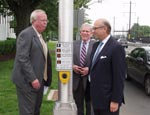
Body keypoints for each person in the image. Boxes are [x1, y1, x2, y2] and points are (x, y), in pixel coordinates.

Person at [11, 9, 52, 115]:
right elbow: (23, 58)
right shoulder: (26, 34)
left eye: (46, 20)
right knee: (28, 111)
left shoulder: (39, 35)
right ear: (34, 21)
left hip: (39, 81)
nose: (45, 23)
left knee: (35, 110)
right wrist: (33, 78)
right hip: (27, 82)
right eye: (43, 20)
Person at [89, 18, 126, 115]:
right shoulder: (95, 45)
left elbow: (119, 77)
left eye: (95, 28)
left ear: (104, 29)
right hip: (96, 98)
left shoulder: (116, 47)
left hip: (108, 101)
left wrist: (115, 100)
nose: (93, 31)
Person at [73, 23, 95, 115]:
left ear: (91, 33)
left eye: (87, 31)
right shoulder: (73, 44)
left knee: (90, 105)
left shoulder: (96, 45)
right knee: (78, 106)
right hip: (77, 80)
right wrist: (72, 66)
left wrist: (89, 69)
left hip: (90, 81)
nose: (85, 33)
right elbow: (66, 59)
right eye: (83, 31)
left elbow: (99, 63)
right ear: (80, 32)